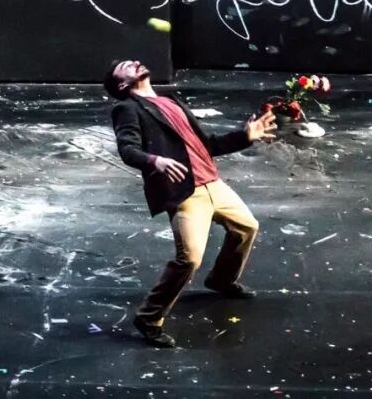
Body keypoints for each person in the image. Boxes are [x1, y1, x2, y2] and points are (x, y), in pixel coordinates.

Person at [105, 60, 276, 348]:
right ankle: (149, 318)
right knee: (189, 259)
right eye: (125, 66)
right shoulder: (127, 108)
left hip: (213, 183)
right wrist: (155, 161)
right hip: (186, 193)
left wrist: (245, 136)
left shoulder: (172, 102)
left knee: (247, 227)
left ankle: (221, 279)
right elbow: (127, 149)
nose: (134, 62)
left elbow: (206, 145)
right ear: (122, 84)